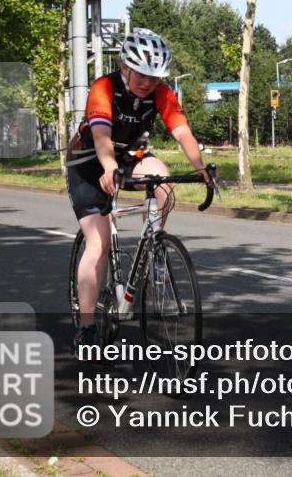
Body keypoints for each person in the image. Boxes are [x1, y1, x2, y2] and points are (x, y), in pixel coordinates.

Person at [66, 28, 212, 352]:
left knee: (162, 178)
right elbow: (102, 135)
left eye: (155, 77)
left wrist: (202, 168)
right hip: (90, 164)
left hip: (128, 158)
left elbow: (182, 131)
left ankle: (155, 248)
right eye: (143, 75)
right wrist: (108, 167)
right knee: (99, 243)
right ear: (125, 67)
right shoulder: (103, 88)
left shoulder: (160, 93)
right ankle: (87, 329)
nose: (149, 83)